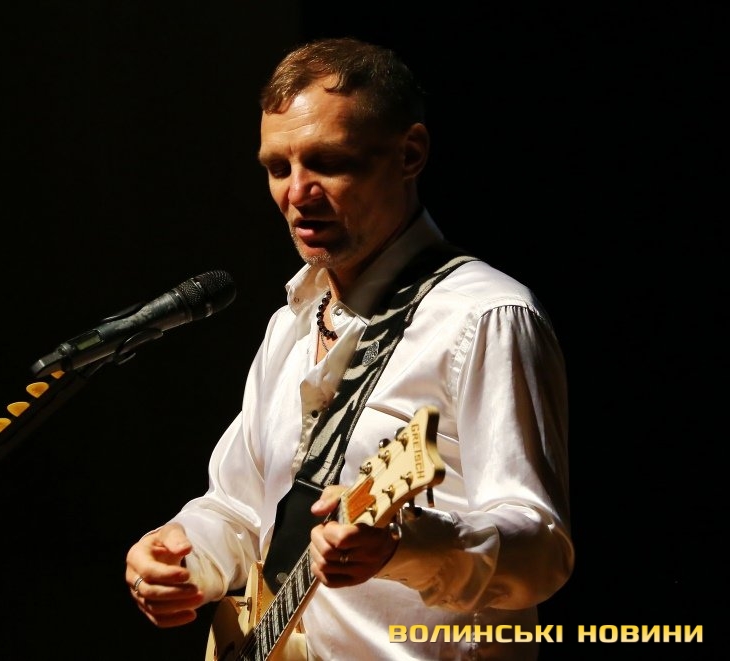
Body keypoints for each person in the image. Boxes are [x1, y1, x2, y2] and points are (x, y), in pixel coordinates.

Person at [124, 36, 574, 660]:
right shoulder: (291, 325)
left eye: (328, 162)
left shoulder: (486, 317)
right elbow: (238, 506)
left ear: (410, 153)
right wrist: (181, 556)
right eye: (278, 168)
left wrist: (405, 550)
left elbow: (542, 549)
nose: (297, 193)